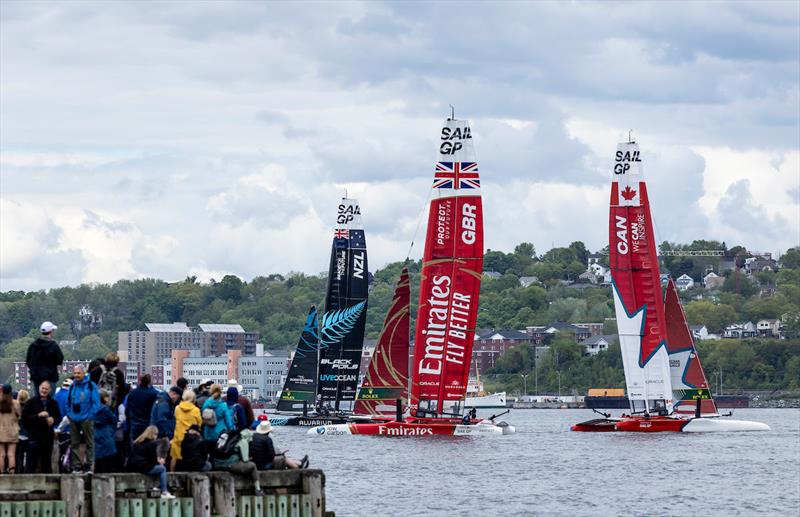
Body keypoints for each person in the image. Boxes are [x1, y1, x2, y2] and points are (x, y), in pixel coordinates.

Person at [66, 365, 100, 473]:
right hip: (74, 418)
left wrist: (90, 416)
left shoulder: (91, 385)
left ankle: (89, 465)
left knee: (89, 442)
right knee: (74, 443)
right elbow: (68, 402)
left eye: (78, 373)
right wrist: (69, 414)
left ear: (83, 373)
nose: (76, 375)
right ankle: (76, 465)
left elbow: (96, 403)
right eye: (75, 373)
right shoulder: (72, 386)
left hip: (87, 418)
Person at [21, 381, 60, 473]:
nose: (44, 390)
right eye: (43, 388)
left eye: (46, 389)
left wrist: (53, 420)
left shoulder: (53, 403)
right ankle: (29, 484)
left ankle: (47, 485)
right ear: (39, 388)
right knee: (31, 463)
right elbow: (24, 419)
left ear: (50, 390)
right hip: (34, 436)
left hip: (48, 437)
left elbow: (59, 417)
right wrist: (38, 415)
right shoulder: (30, 402)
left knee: (46, 462)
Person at [212, 428, 263, 496]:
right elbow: (245, 460)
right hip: (229, 464)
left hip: (217, 463)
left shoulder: (230, 438)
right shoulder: (243, 441)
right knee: (252, 465)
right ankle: (258, 489)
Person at [128, 426, 175, 499]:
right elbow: (152, 459)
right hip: (142, 466)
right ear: (153, 434)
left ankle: (158, 486)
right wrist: (160, 462)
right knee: (162, 468)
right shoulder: (151, 444)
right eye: (156, 434)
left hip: (134, 466)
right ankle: (164, 491)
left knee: (158, 468)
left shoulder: (139, 441)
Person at [25, 322, 64, 396]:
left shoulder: (33, 346)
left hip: (37, 378)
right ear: (51, 332)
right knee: (50, 402)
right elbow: (60, 360)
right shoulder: (53, 346)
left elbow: (28, 361)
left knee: (38, 401)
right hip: (51, 378)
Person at [170, 389, 201, 471]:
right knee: (189, 458)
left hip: (178, 437)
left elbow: (175, 418)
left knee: (174, 458)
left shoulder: (177, 408)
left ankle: (171, 477)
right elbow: (199, 424)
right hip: (190, 438)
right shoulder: (196, 410)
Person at [126, 374, 158, 447]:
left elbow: (127, 410)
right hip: (147, 424)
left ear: (139, 381)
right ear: (149, 381)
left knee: (135, 446)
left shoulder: (132, 393)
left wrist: (128, 425)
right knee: (147, 446)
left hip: (134, 424)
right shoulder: (152, 393)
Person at [94, 391, 117, 473]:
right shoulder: (106, 410)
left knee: (98, 463)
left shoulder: (93, 409)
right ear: (104, 398)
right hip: (107, 435)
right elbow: (114, 419)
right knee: (108, 464)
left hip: (96, 435)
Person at [0, 385, 21, 473]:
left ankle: (1, 473)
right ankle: (11, 474)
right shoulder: (15, 403)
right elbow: (19, 416)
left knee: (1, 454)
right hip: (13, 431)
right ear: (11, 392)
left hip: (0, 430)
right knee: (11, 454)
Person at [15, 389, 29, 472]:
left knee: (18, 456)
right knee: (27, 456)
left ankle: (18, 471)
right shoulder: (29, 408)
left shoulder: (15, 408)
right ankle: (26, 471)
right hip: (27, 435)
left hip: (18, 435)